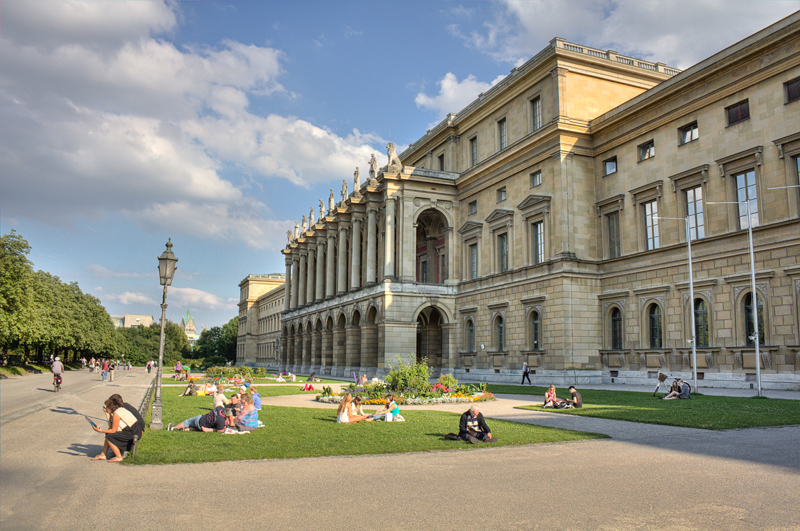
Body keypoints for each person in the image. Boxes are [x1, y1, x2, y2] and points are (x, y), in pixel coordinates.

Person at [91, 394, 145, 462]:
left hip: (132, 433)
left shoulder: (117, 413)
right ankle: (103, 454)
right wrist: (107, 415)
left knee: (109, 436)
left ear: (111, 407)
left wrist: (100, 431)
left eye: (107, 407)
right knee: (108, 433)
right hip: (134, 431)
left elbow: (113, 430)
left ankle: (118, 457)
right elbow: (111, 428)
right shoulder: (119, 410)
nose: (106, 408)